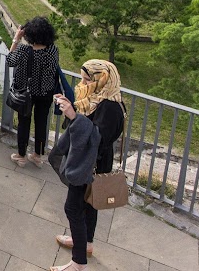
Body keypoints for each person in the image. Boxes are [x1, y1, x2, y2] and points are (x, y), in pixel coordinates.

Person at [51, 59, 125, 271]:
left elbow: (97, 139)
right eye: (82, 79)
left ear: (102, 79)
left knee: (73, 208)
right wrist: (71, 108)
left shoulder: (111, 107)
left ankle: (78, 263)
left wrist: (73, 115)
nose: (82, 84)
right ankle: (86, 244)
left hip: (91, 165)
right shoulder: (97, 97)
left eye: (87, 80)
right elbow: (83, 125)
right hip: (90, 162)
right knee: (89, 203)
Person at [6, 16, 60, 167]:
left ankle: (21, 156)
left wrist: (16, 39)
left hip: (26, 93)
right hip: (46, 92)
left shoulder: (24, 50)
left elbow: (10, 60)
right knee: (41, 124)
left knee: (24, 123)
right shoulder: (53, 50)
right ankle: (37, 156)